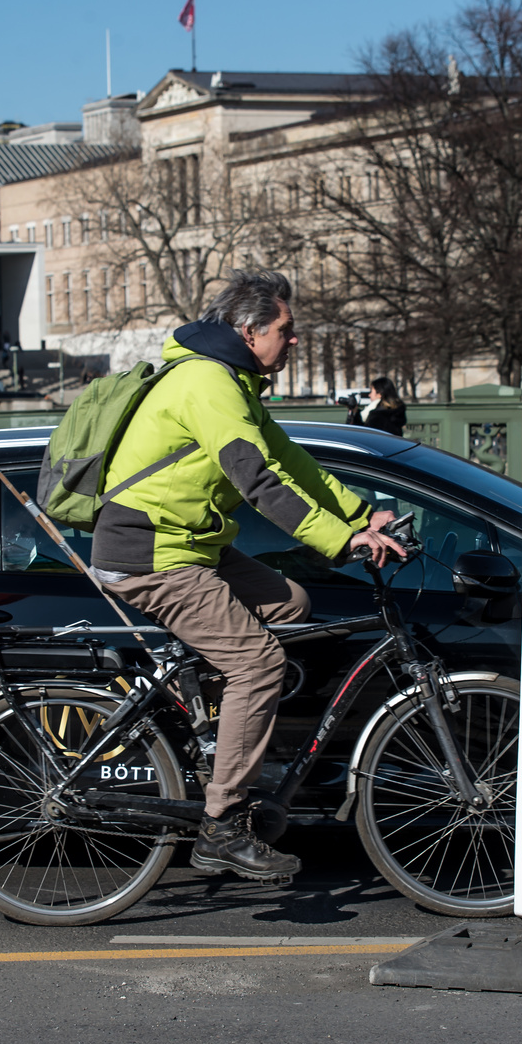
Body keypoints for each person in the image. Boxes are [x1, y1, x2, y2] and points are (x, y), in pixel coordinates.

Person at [89, 269, 404, 883]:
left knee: (290, 602)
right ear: (248, 330)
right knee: (260, 664)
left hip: (190, 544)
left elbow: (293, 465)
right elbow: (258, 481)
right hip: (149, 552)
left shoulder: (233, 382)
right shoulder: (207, 383)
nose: (294, 342)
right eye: (286, 331)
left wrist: (364, 515)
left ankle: (217, 742)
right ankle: (222, 824)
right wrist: (343, 541)